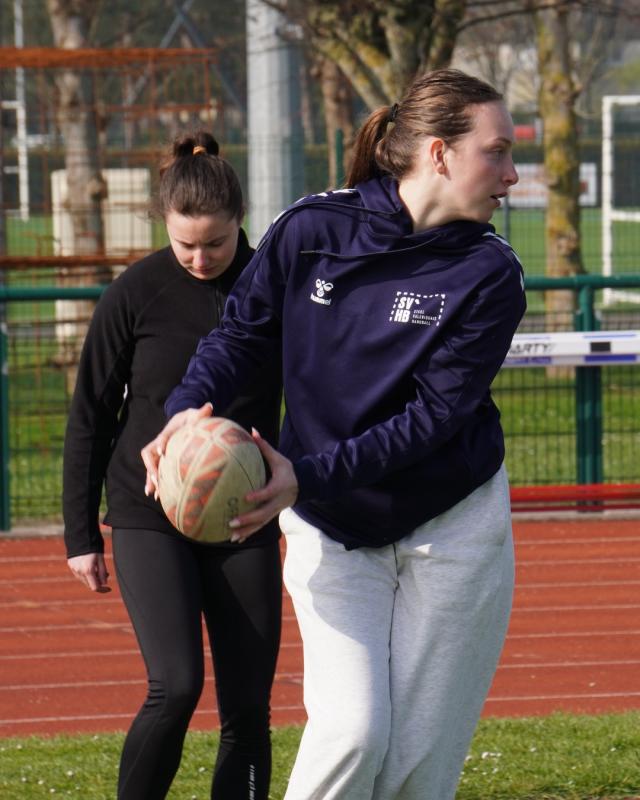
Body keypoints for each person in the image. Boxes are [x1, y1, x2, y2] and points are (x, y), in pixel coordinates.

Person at [142, 68, 526, 800]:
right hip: (330, 522)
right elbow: (241, 336)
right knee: (353, 732)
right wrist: (188, 409)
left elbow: (434, 419)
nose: (511, 175)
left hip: (452, 528)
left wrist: (301, 476)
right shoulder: (313, 229)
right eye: (498, 152)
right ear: (439, 154)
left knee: (418, 766)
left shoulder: (490, 273)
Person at [62, 131, 283, 800]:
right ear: (165, 223)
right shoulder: (136, 292)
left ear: (239, 222)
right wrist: (80, 536)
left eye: (214, 243)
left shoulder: (272, 289)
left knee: (247, 706)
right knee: (177, 685)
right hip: (148, 512)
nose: (198, 257)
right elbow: (90, 416)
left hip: (244, 514)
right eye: (184, 243)